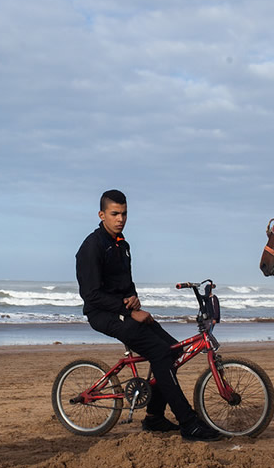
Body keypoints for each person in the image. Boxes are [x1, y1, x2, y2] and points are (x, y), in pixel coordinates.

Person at [75, 189, 219, 441]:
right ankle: (188, 423)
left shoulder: (123, 245)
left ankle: (153, 417)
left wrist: (135, 302)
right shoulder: (91, 247)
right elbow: (91, 296)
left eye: (124, 213)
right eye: (115, 214)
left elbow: (126, 284)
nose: (120, 219)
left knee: (173, 350)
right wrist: (126, 308)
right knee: (160, 353)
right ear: (102, 215)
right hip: (102, 314)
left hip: (124, 310)